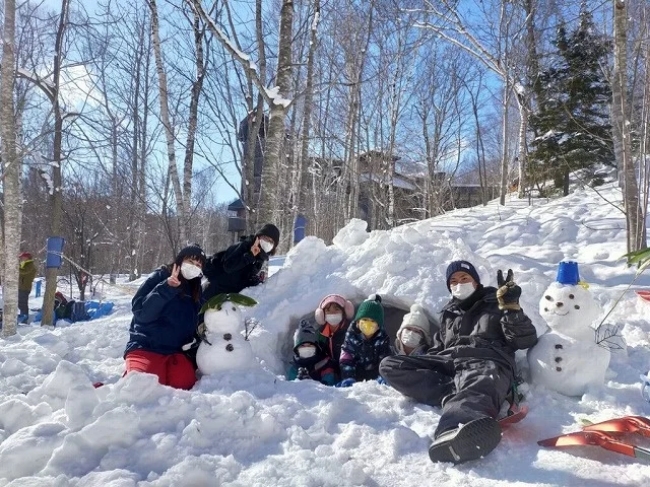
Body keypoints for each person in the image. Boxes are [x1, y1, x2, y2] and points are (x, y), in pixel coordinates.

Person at [379, 261, 538, 464]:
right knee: (390, 365)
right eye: (453, 281)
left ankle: (456, 428)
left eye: (464, 278)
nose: (458, 284)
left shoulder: (497, 302)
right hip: (449, 361)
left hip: (485, 358)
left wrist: (511, 309)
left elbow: (524, 340)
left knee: (481, 378)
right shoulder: (448, 313)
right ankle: (459, 394)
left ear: (476, 282)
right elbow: (437, 348)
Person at [123, 244, 206, 390]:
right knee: (142, 387)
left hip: (175, 352)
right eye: (190, 262)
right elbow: (142, 314)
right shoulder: (161, 276)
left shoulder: (195, 289)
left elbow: (198, 318)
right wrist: (167, 288)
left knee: (183, 386)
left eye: (198, 265)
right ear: (180, 260)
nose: (194, 267)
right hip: (146, 346)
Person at [203, 223, 280, 301]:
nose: (267, 242)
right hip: (214, 293)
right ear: (258, 237)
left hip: (229, 297)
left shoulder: (261, 257)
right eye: (265, 238)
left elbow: (245, 276)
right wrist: (250, 255)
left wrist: (256, 281)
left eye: (271, 241)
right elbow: (228, 267)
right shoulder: (243, 245)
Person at [337, 294, 391, 387]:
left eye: (373, 321)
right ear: (357, 322)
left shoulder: (383, 340)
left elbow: (385, 361)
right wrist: (348, 377)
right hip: (356, 375)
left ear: (379, 325)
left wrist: (383, 377)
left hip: (374, 376)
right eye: (365, 319)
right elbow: (346, 360)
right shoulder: (351, 338)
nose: (368, 324)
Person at [314, 294, 355, 380]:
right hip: (329, 370)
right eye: (328, 310)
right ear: (322, 315)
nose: (332, 313)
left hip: (349, 370)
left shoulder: (351, 330)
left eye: (336, 309)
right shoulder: (321, 333)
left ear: (344, 312)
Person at [287, 320, 337, 385]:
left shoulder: (324, 365)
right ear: (297, 350)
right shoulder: (295, 368)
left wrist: (311, 383)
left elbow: (329, 384)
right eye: (303, 347)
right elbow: (290, 386)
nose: (307, 349)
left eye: (310, 346)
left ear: (317, 348)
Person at [18, 252, 37, 323]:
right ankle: (23, 315)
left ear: (27, 258)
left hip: (25, 287)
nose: (21, 258)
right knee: (20, 302)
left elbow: (24, 272)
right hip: (21, 286)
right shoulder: (24, 264)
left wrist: (15, 268)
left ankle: (25, 316)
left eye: (23, 257)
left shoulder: (30, 265)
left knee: (23, 302)